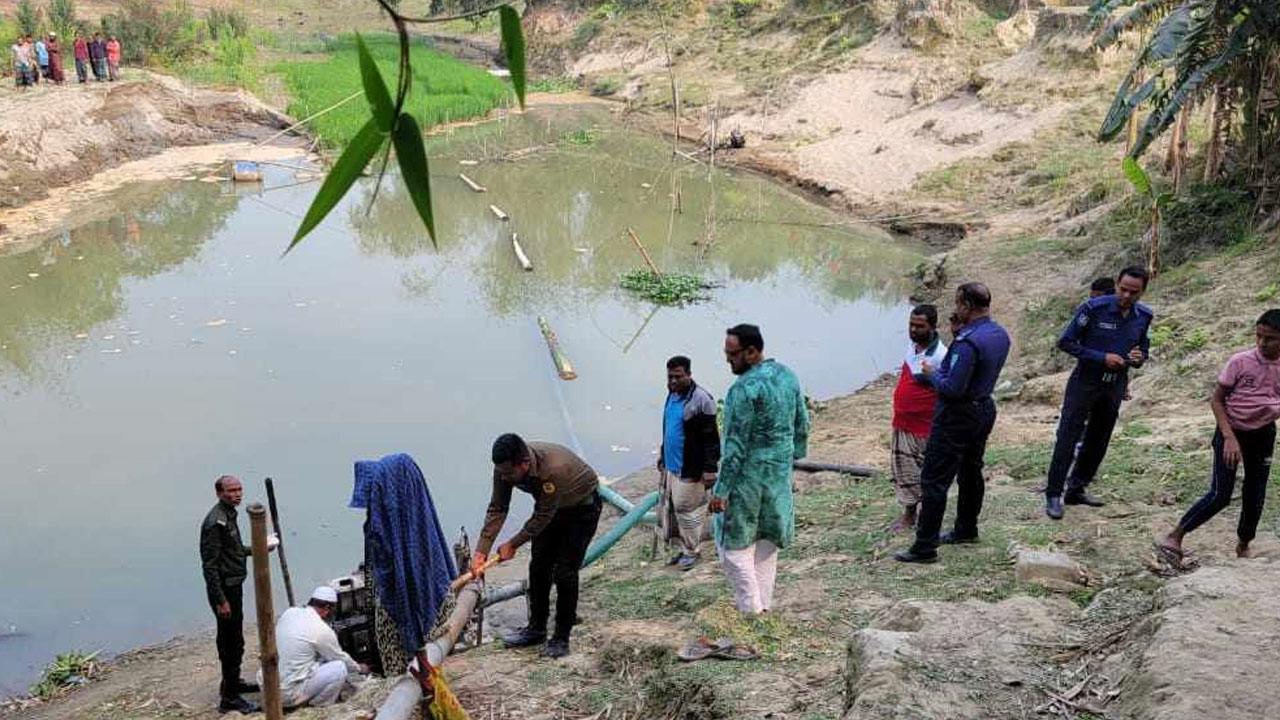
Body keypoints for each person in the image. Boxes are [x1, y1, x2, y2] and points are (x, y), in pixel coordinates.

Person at [895, 283, 1011, 563]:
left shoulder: (967, 342)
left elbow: (952, 388)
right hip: (983, 407)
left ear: (966, 305)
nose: (955, 310)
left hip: (958, 415)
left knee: (934, 480)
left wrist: (933, 373)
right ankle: (966, 528)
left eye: (958, 304)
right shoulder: (999, 334)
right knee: (971, 471)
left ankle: (924, 547)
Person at [1159, 310, 1280, 560]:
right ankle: (1176, 535)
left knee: (1255, 491)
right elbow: (1216, 400)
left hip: (1263, 434)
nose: (1261, 343)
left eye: (1269, 338)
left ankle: (1244, 544)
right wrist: (1229, 438)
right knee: (1220, 494)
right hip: (1231, 430)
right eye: (1258, 336)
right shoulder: (1241, 361)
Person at [471, 434, 602, 659]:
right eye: (501, 473)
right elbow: (498, 508)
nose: (505, 478)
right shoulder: (504, 467)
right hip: (551, 510)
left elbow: (542, 516)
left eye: (509, 474)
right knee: (538, 567)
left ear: (525, 464)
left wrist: (512, 544)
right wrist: (481, 551)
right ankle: (536, 629)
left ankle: (561, 636)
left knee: (565, 572)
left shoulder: (552, 471)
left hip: (581, 510)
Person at [709, 324, 809, 614]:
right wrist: (789, 459)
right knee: (766, 543)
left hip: (747, 483)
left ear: (752, 352)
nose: (728, 360)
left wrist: (721, 491)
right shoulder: (787, 375)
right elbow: (802, 424)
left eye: (732, 354)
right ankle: (763, 608)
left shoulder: (743, 389)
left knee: (734, 551)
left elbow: (735, 447)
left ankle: (751, 612)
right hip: (777, 478)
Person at [1044, 266, 1153, 520]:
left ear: (1143, 291)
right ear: (1117, 284)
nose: (1126, 296)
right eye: (1123, 289)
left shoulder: (1144, 316)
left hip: (1114, 384)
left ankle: (1077, 488)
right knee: (1068, 437)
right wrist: (1101, 357)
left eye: (1133, 292)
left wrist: (1139, 358)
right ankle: (1053, 493)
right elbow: (1066, 342)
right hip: (1085, 381)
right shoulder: (1093, 309)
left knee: (1099, 438)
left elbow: (1141, 347)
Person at [200, 475, 277, 714]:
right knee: (230, 642)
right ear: (219, 493)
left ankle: (234, 684)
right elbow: (210, 566)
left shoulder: (230, 515)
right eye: (231, 490)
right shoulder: (216, 522)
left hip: (234, 584)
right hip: (225, 590)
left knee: (237, 640)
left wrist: (259, 548)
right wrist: (220, 600)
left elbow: (234, 551)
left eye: (239, 489)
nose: (237, 494)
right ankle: (229, 698)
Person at [657, 355, 721, 570]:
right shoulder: (672, 395)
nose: (673, 381)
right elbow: (670, 429)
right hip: (671, 465)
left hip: (690, 466)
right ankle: (682, 549)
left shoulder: (702, 400)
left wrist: (710, 468)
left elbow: (711, 439)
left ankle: (693, 551)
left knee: (688, 509)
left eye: (678, 377)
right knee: (673, 508)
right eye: (669, 377)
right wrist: (663, 455)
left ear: (689, 375)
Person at [889, 304, 948, 532]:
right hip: (903, 423)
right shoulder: (912, 348)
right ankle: (910, 511)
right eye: (911, 325)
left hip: (924, 427)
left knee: (921, 471)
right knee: (903, 468)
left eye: (919, 326)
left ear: (933, 327)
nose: (913, 330)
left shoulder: (941, 355)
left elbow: (944, 388)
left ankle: (916, 515)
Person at [274, 586, 368, 709]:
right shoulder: (321, 629)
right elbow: (339, 657)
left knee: (317, 658)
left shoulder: (289, 612)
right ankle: (318, 706)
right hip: (289, 694)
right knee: (339, 668)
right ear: (327, 609)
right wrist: (359, 668)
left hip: (272, 688)